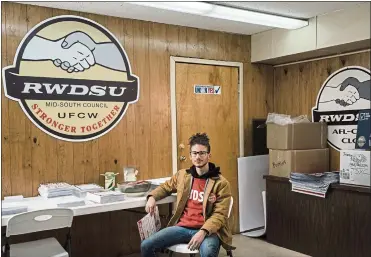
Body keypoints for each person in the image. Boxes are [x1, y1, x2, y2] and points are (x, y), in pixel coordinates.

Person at [141, 133, 235, 257]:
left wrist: (203, 232)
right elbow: (165, 187)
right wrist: (152, 197)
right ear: (190, 156)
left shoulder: (221, 183)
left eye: (202, 153)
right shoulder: (183, 176)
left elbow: (220, 215)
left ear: (209, 155)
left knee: (207, 253)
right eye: (194, 153)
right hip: (183, 227)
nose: (198, 157)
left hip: (209, 231)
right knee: (146, 245)